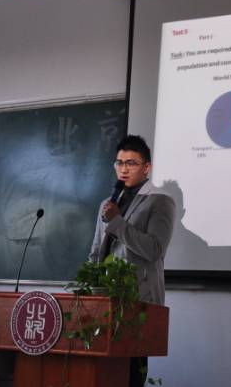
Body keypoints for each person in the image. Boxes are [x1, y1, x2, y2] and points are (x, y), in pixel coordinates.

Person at [87, 134, 175, 387]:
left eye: (131, 163)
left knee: (131, 374)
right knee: (103, 373)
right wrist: (90, 290)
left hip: (137, 301)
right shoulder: (108, 204)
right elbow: (96, 251)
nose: (123, 169)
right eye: (119, 163)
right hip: (104, 300)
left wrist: (117, 222)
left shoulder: (160, 201)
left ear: (146, 167)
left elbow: (154, 249)